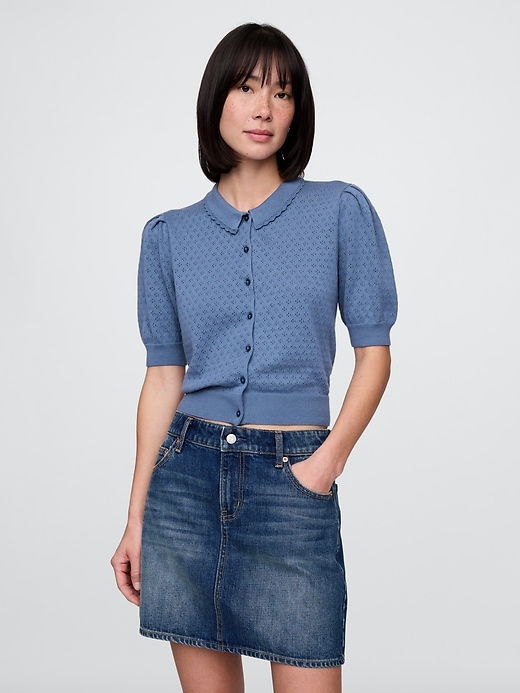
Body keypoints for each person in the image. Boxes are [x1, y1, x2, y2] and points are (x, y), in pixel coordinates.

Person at [111, 22, 397, 693]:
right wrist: (136, 516)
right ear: (216, 100)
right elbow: (162, 378)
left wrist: (324, 465)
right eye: (246, 88)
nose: (264, 107)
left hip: (292, 480)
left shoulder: (340, 210)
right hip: (186, 484)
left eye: (282, 93)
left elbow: (375, 355)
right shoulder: (168, 236)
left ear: (297, 111)